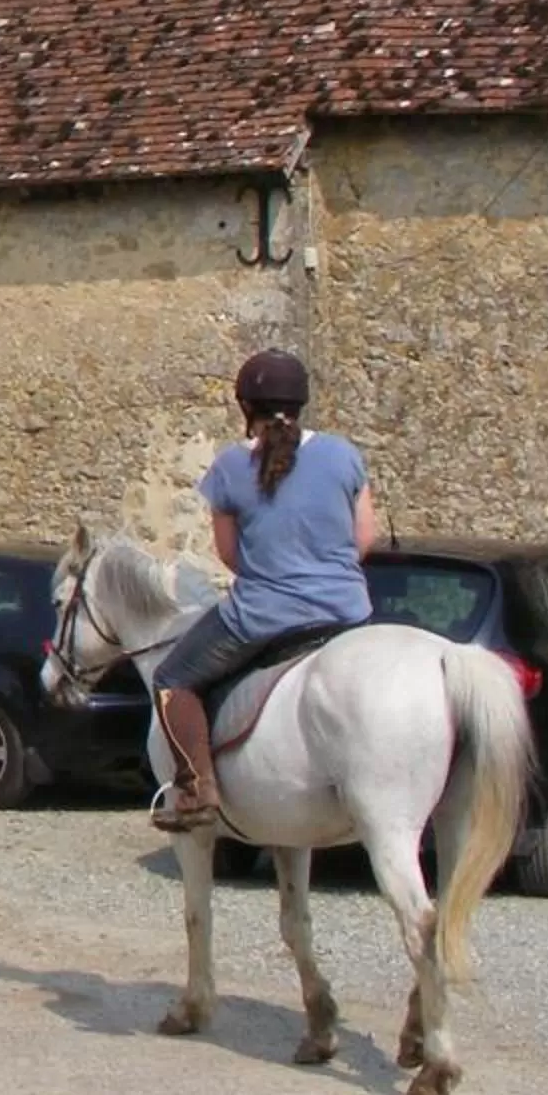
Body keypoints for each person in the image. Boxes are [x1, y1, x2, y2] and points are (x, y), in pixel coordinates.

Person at [150, 349, 381, 833]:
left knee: (172, 678)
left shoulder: (231, 466)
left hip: (262, 617)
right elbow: (365, 540)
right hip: (348, 612)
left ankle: (196, 788)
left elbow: (231, 555)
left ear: (245, 407)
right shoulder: (344, 454)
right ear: (301, 403)